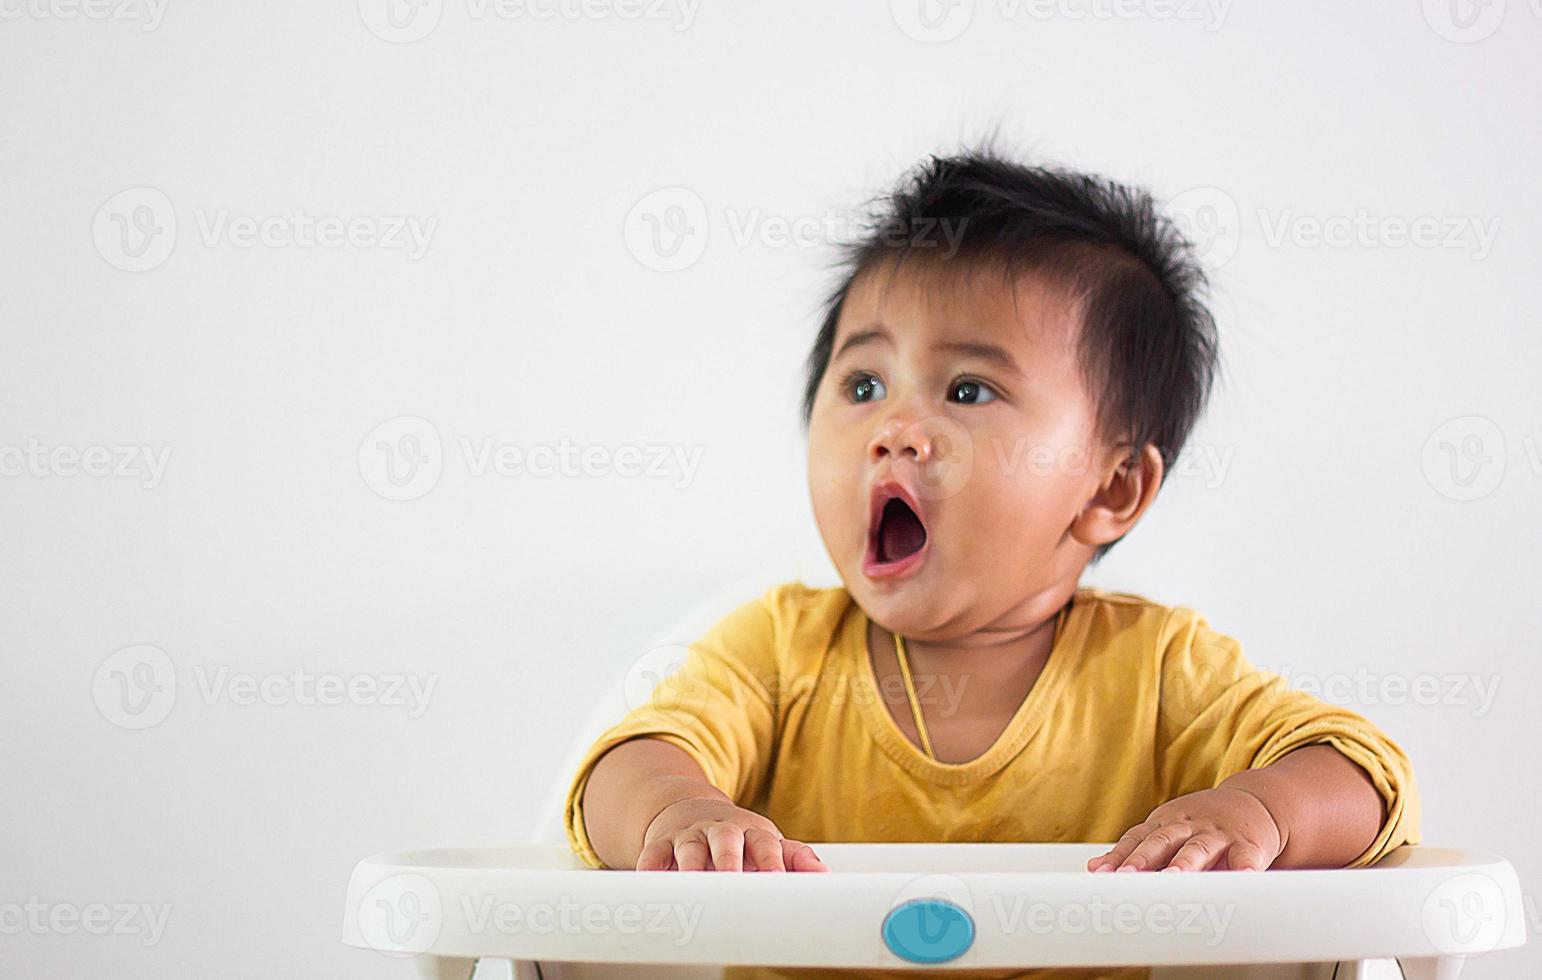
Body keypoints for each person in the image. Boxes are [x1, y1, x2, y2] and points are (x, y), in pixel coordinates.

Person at [561, 143, 1420, 980]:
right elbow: (626, 764)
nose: (894, 427)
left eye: (968, 389)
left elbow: (1361, 775)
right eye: (862, 385)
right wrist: (679, 809)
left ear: (1111, 488)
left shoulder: (1158, 672)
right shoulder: (779, 652)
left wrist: (1256, 811)